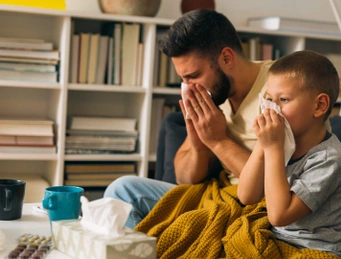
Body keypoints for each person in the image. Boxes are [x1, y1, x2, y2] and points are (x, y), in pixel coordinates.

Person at [104, 8, 275, 228]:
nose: (189, 87)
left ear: (226, 57)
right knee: (122, 190)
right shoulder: (214, 94)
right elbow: (185, 178)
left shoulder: (281, 88)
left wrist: (218, 141)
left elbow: (274, 185)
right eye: (183, 79)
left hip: (254, 205)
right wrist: (198, 139)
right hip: (216, 195)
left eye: (193, 76)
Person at [237, 50, 341, 258]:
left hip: (321, 249)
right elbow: (246, 196)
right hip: (280, 241)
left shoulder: (331, 160)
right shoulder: (282, 144)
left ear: (319, 105)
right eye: (268, 99)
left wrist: (273, 149)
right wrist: (262, 145)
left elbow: (279, 215)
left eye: (283, 99)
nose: (272, 109)